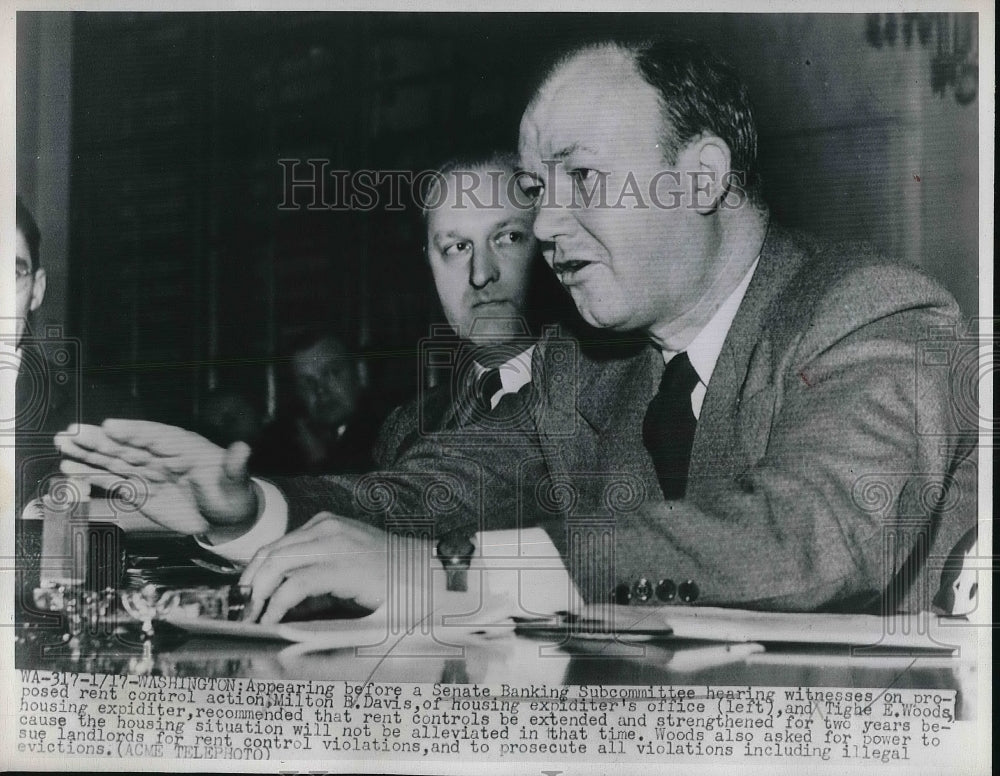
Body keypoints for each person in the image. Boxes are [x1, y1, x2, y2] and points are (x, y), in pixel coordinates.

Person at [57, 38, 976, 618]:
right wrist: (249, 511)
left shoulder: (875, 315)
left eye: (579, 179)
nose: (542, 227)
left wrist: (447, 578)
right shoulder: (591, 370)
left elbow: (811, 536)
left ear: (700, 177)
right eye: (537, 192)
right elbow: (428, 497)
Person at [56, 152, 578, 620]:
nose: (481, 272)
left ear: (552, 243)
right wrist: (249, 512)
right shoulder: (409, 427)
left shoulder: (608, 379)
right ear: (430, 264)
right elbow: (388, 521)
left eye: (508, 237)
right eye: (456, 246)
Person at [250, 333, 380, 475]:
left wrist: (320, 463)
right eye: (306, 382)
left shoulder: (390, 429)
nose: (320, 390)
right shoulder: (281, 440)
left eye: (332, 373)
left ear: (359, 373)